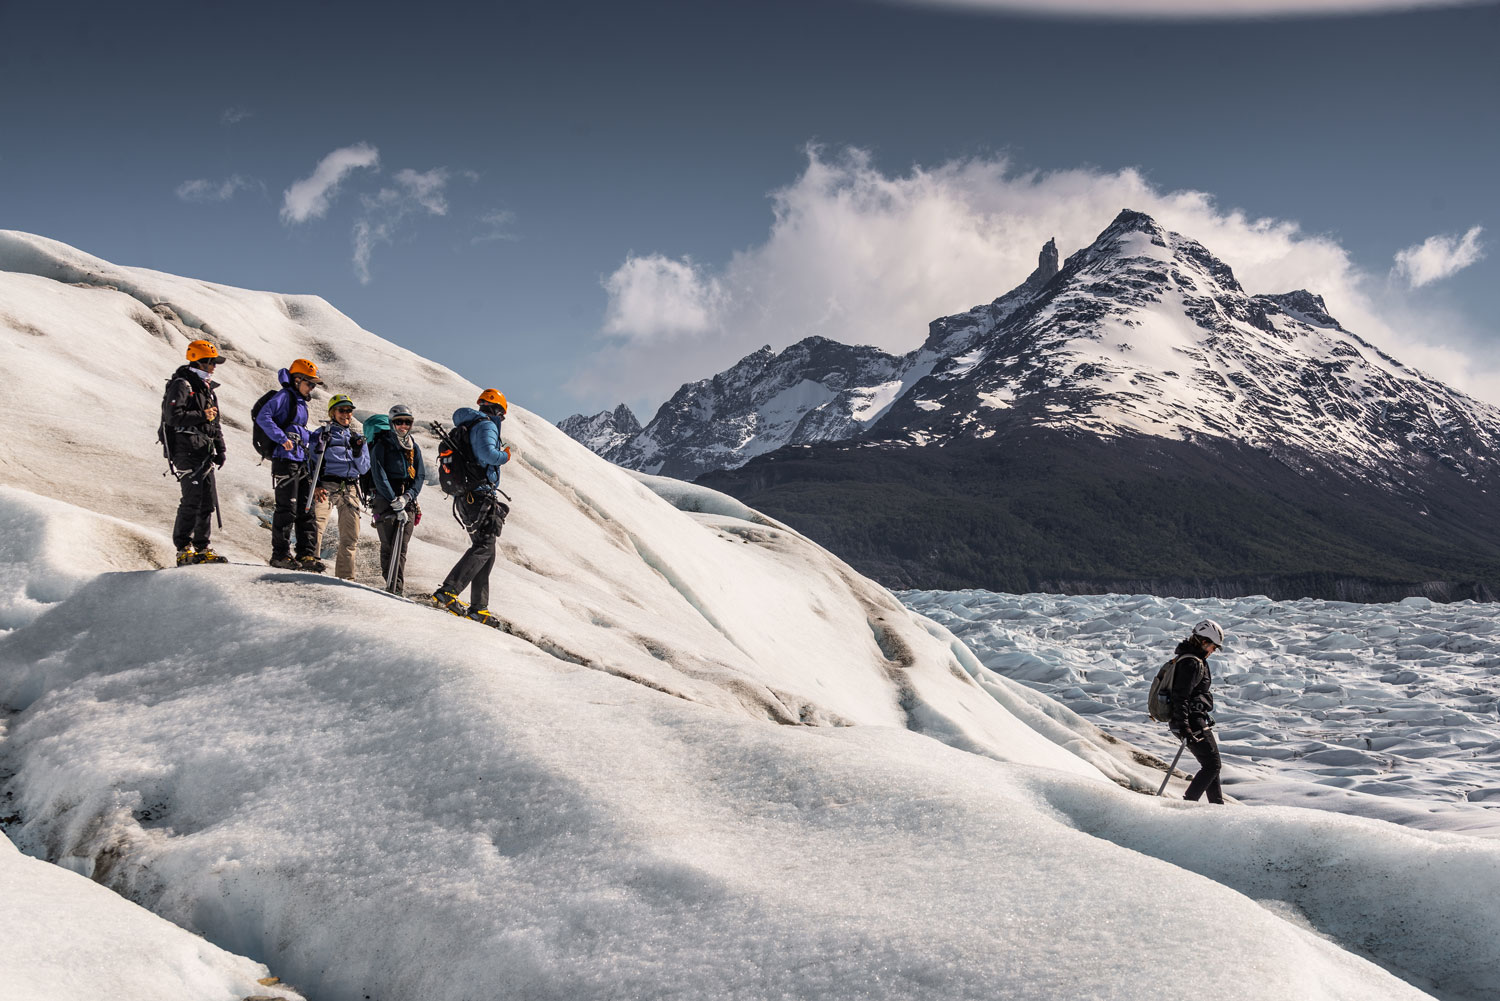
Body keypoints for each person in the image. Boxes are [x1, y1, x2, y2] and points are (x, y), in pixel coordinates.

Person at [431, 389, 512, 628]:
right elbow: (488, 454)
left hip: (467, 495)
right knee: (484, 546)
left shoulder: (469, 424)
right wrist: (504, 456)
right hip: (478, 494)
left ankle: (479, 608)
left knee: (487, 550)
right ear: (498, 410)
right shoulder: (487, 426)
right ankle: (448, 591)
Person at [160, 339, 229, 566]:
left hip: (203, 451)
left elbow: (214, 422)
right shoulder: (182, 385)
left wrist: (220, 448)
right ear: (200, 362)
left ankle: (202, 547)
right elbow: (173, 417)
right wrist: (203, 415)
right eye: (211, 362)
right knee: (192, 499)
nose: (214, 366)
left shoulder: (206, 388)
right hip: (186, 449)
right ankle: (184, 548)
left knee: (207, 501)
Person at [255, 358, 325, 572]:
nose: (312, 388)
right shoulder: (284, 396)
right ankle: (280, 554)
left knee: (306, 509)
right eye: (309, 383)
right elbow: (263, 417)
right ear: (297, 380)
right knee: (287, 509)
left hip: (300, 459)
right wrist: (280, 438)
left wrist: (315, 438)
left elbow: (298, 430)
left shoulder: (300, 402)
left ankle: (306, 554)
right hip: (285, 460)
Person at [309, 394, 371, 580]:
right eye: (342, 410)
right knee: (316, 525)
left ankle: (346, 578)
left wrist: (358, 451)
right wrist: (317, 484)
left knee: (351, 536)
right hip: (326, 484)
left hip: (350, 487)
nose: (346, 414)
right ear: (332, 412)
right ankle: (311, 564)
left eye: (349, 411)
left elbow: (364, 467)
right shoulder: (321, 434)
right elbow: (311, 462)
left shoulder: (357, 438)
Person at [367, 403, 424, 594]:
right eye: (399, 422)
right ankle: (391, 584)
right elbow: (378, 473)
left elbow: (420, 475)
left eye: (407, 422)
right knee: (389, 544)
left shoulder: (413, 447)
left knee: (402, 547)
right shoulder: (382, 444)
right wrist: (394, 500)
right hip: (384, 500)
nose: (403, 426)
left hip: (406, 501)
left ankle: (396, 587)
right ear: (392, 423)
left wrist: (408, 497)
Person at [1169, 619, 1227, 804]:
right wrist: (1185, 726)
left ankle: (1216, 806)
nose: (1213, 651)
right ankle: (1188, 805)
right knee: (1212, 765)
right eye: (1213, 647)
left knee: (1211, 765)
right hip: (1191, 721)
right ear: (1204, 642)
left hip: (1192, 719)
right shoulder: (1192, 664)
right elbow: (1181, 697)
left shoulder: (1188, 658)